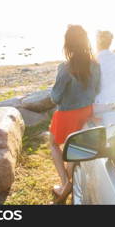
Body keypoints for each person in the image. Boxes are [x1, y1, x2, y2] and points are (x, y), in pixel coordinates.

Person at [49, 25, 100, 204]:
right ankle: (68, 184)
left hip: (67, 114)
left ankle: (65, 183)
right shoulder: (95, 65)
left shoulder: (65, 68)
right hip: (86, 112)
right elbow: (97, 90)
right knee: (75, 147)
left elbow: (55, 97)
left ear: (67, 44)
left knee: (54, 145)